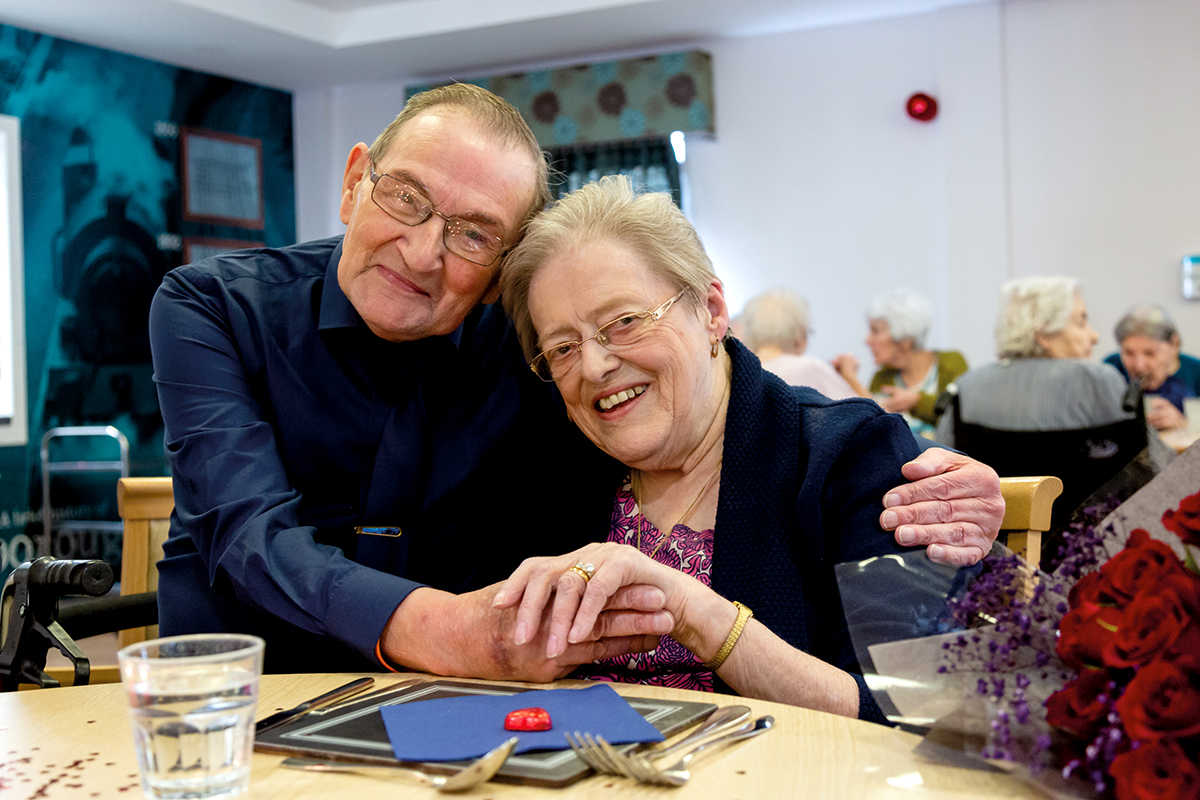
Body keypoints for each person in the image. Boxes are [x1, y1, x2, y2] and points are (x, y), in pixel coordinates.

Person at [149, 83, 1003, 681]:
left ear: (501, 263)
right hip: (251, 697)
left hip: (480, 724)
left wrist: (907, 469)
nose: (422, 251)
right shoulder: (209, 307)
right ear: (352, 180)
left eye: (474, 234)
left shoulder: (533, 346)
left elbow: (701, 413)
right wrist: (449, 632)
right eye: (405, 198)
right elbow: (249, 534)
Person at [492, 175, 969, 723]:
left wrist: (700, 615)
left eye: (623, 322)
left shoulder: (848, 454)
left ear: (711, 311)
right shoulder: (555, 467)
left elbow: (914, 707)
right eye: (563, 347)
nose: (595, 366)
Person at [935, 276, 1133, 447]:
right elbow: (1147, 463)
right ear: (1043, 334)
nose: (1094, 336)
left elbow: (942, 461)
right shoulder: (1097, 380)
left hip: (999, 491)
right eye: (1081, 323)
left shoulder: (965, 387)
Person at [833, 288, 967, 438]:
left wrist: (917, 401)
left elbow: (962, 417)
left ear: (904, 338)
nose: (867, 340)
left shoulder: (951, 363)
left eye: (875, 331)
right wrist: (849, 380)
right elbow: (876, 427)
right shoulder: (881, 378)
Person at [740, 288, 856, 399]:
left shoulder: (741, 374)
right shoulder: (811, 368)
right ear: (799, 335)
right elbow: (865, 414)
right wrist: (850, 378)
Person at [1103, 305, 1200, 432]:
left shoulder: (1196, 373)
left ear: (1174, 344)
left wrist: (1184, 426)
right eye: (1129, 353)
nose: (1139, 366)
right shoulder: (1110, 369)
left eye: (1150, 353)